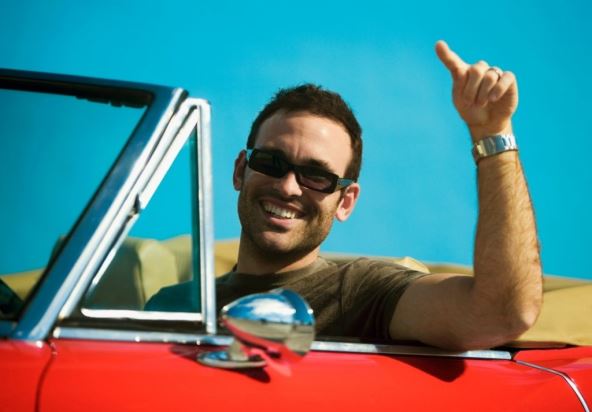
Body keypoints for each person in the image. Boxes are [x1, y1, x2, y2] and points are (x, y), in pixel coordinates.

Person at [148, 40, 542, 351]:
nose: (288, 187)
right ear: (240, 170)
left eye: (317, 176)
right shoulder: (172, 306)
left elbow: (502, 313)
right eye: (271, 162)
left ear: (346, 201)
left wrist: (493, 134)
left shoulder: (361, 292)